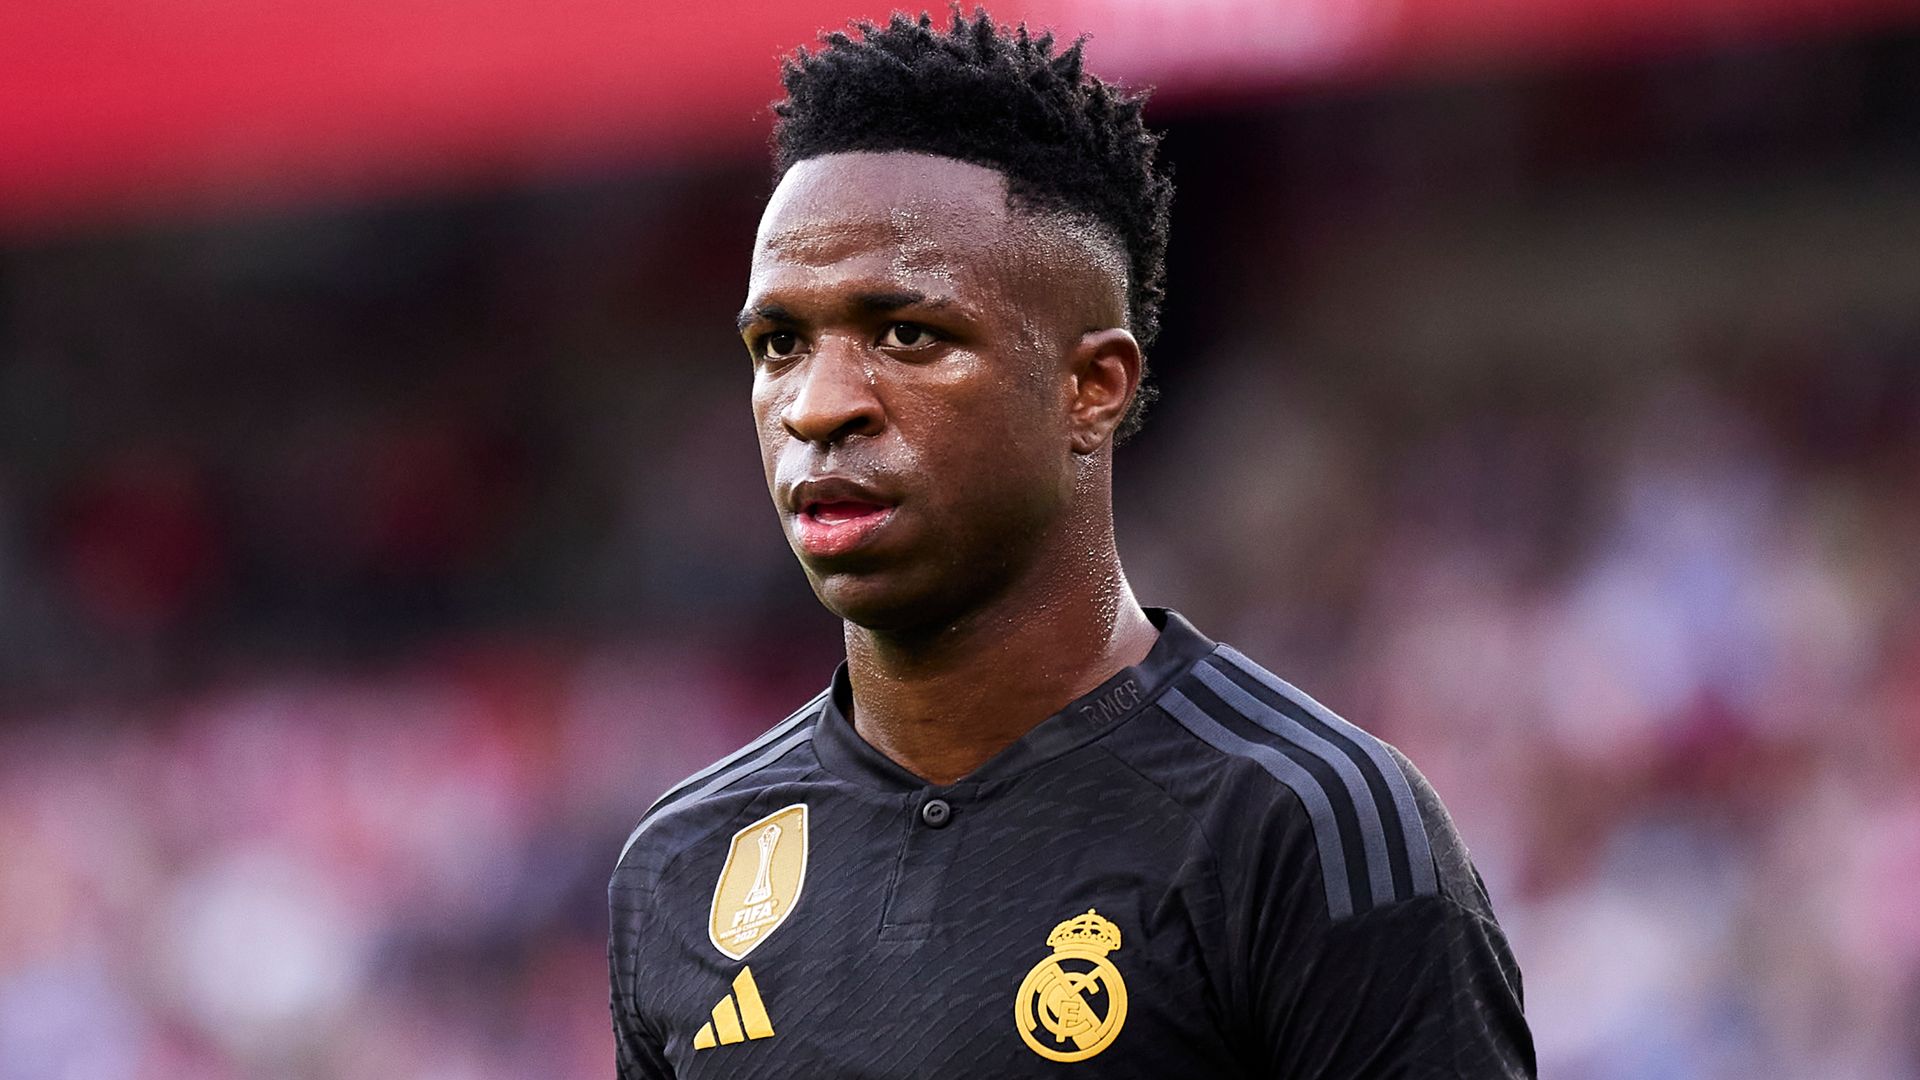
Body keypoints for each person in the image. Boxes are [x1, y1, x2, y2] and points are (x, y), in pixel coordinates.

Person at [609, 10, 1535, 1077]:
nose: (818, 406)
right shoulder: (679, 865)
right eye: (780, 344)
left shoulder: (1305, 825)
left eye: (907, 334)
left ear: (1093, 387)